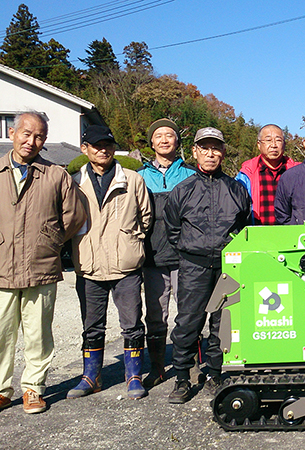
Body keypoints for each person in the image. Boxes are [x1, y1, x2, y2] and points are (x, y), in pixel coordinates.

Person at [0, 112, 85, 414]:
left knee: (38, 335)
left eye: (38, 136)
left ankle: (33, 389)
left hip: (42, 264)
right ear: (12, 133)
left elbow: (75, 214)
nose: (31, 141)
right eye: (26, 133)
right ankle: (0, 389)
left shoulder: (55, 174)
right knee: (0, 333)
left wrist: (51, 238)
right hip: (1, 266)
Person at [164, 127, 250, 404]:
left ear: (223, 153)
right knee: (188, 321)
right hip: (193, 265)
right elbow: (172, 229)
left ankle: (215, 373)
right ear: (194, 152)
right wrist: (193, 250)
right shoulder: (183, 190)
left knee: (222, 322)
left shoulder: (236, 189)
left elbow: (246, 226)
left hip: (228, 267)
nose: (210, 153)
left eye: (215, 148)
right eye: (204, 148)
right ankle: (181, 376)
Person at [68, 125, 152, 400]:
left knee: (132, 323)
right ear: (85, 149)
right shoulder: (73, 182)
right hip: (89, 264)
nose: (103, 149)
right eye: (96, 145)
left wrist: (131, 241)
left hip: (125, 264)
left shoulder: (132, 179)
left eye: (108, 144)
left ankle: (134, 375)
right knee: (92, 325)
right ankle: (91, 376)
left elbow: (146, 217)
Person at [138, 118, 195, 388]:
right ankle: (157, 367)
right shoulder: (139, 176)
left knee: (188, 312)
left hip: (185, 255)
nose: (164, 140)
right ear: (152, 143)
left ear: (177, 141)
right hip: (153, 257)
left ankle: (191, 366)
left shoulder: (190, 174)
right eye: (158, 135)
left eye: (169, 135)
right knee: (155, 315)